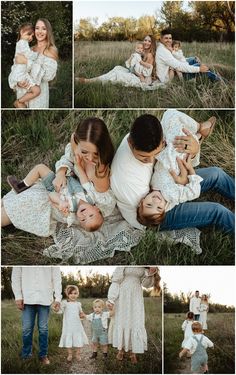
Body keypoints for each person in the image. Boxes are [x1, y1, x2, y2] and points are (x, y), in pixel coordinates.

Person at [110, 110, 235, 233]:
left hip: (169, 184)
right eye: (144, 158)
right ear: (130, 143)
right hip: (154, 217)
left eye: (155, 154)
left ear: (162, 141)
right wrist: (186, 179)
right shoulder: (131, 186)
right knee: (217, 211)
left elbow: (172, 126)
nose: (150, 160)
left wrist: (194, 149)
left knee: (216, 173)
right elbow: (152, 211)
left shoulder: (147, 136)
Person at [1, 117, 115, 236]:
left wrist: (61, 204)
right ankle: (16, 193)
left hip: (62, 202)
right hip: (65, 186)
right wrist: (61, 173)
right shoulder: (77, 141)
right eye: (85, 152)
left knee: (30, 200)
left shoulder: (99, 173)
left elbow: (75, 211)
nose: (90, 158)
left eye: (96, 153)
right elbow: (69, 159)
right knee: (26, 190)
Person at [137, 113, 216, 226]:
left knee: (169, 116)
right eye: (159, 207)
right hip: (177, 155)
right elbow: (194, 192)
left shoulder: (150, 186)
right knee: (171, 116)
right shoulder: (172, 195)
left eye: (149, 205)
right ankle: (200, 130)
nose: (155, 201)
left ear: (142, 202)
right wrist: (190, 172)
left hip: (167, 152)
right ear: (165, 209)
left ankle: (199, 132)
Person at [6, 163, 105, 231]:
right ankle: (22, 184)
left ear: (78, 220)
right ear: (96, 208)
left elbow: (51, 195)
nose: (84, 215)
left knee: (40, 168)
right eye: (91, 215)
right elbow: (85, 182)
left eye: (83, 220)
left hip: (54, 185)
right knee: (40, 166)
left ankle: (20, 187)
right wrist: (77, 168)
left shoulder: (69, 208)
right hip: (66, 177)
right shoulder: (91, 197)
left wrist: (61, 203)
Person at [106, 266, 161, 364]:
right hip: (122, 294)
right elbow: (116, 281)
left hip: (136, 295)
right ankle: (120, 350)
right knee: (122, 320)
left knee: (135, 321)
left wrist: (151, 272)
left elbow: (146, 284)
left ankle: (133, 352)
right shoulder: (122, 267)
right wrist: (111, 298)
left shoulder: (146, 266)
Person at [11, 266, 62, 364]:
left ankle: (43, 355)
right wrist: (18, 296)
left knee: (43, 329)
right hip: (27, 298)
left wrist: (58, 298)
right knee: (27, 329)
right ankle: (26, 355)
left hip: (45, 297)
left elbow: (56, 277)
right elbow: (16, 275)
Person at [9, 18, 58, 108]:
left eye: (44, 28)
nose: (40, 31)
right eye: (37, 28)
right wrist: (18, 83)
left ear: (48, 31)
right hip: (23, 91)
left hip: (38, 97)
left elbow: (48, 76)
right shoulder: (29, 49)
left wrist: (27, 62)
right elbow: (15, 69)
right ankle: (19, 101)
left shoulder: (50, 50)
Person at [77, 35, 157, 88]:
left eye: (149, 41)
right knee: (117, 68)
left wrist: (134, 72)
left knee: (117, 74)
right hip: (135, 73)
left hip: (140, 78)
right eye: (145, 40)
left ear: (152, 43)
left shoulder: (149, 55)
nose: (146, 42)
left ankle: (89, 81)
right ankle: (93, 80)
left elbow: (146, 72)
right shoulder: (142, 52)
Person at [155, 29, 221, 83]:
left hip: (174, 68)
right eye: (166, 38)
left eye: (170, 38)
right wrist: (199, 69)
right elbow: (179, 66)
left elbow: (174, 59)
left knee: (193, 59)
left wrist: (189, 59)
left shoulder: (164, 47)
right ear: (161, 39)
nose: (169, 40)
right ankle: (219, 80)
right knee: (199, 66)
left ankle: (210, 73)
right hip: (170, 77)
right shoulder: (163, 51)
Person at [8, 23, 41, 108]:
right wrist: (36, 54)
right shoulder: (22, 42)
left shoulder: (22, 43)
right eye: (29, 34)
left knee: (33, 91)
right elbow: (28, 55)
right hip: (21, 74)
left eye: (32, 36)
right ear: (22, 32)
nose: (30, 38)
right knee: (36, 91)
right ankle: (19, 102)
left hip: (22, 73)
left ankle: (20, 102)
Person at [53, 285, 89, 362]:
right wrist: (56, 309)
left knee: (78, 338)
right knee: (68, 339)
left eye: (75, 293)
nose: (73, 295)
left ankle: (78, 353)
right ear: (67, 294)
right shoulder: (65, 303)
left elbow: (81, 313)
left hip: (77, 325)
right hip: (68, 325)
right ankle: (70, 354)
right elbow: (60, 311)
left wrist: (82, 315)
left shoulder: (78, 304)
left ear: (78, 294)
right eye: (71, 293)